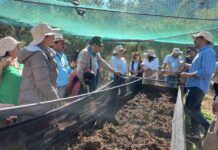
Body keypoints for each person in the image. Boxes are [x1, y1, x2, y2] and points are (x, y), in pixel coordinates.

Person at [180, 31, 216, 138]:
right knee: (194, 109)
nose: (194, 41)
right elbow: (198, 68)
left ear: (203, 40)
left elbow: (206, 71)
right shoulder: (202, 52)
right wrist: (187, 65)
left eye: (196, 39)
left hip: (198, 86)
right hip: (196, 85)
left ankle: (207, 125)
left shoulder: (208, 52)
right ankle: (195, 132)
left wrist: (189, 75)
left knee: (189, 108)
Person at [17, 22, 59, 106]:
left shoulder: (41, 52)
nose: (53, 38)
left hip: (35, 102)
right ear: (45, 38)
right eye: (51, 36)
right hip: (37, 104)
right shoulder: (38, 55)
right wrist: (56, 101)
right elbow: (43, 84)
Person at [0, 36, 25, 105]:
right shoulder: (2, 63)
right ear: (9, 50)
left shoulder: (21, 62)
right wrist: (1, 66)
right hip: (5, 105)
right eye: (17, 46)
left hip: (21, 104)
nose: (20, 48)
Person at [52, 33, 72, 98]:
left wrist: (72, 67)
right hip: (55, 87)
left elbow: (67, 69)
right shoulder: (51, 55)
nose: (64, 46)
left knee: (59, 105)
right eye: (62, 44)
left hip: (63, 86)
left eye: (64, 44)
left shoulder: (64, 56)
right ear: (54, 44)